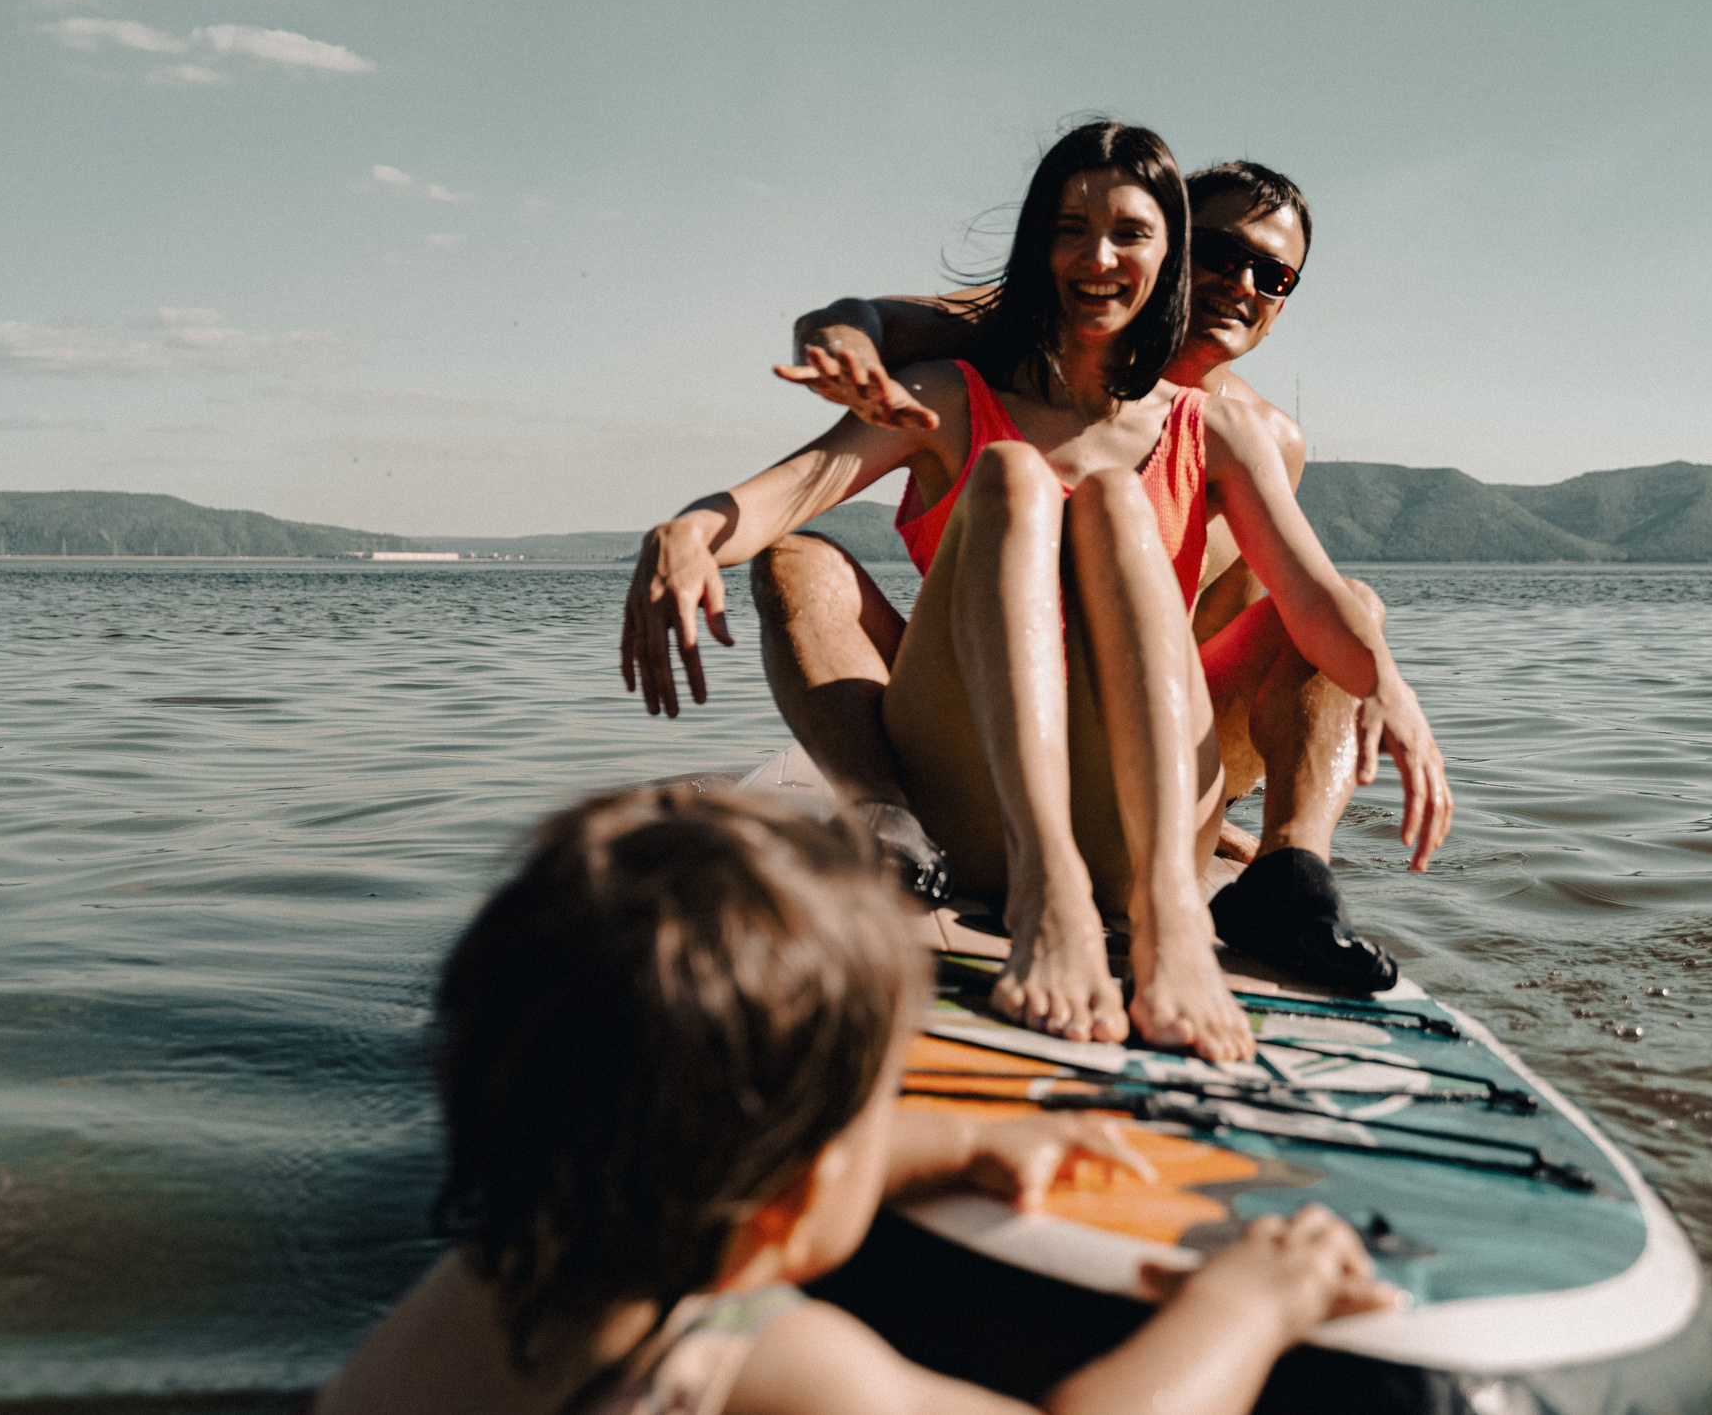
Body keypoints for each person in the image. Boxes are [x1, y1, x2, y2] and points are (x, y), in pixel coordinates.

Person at [623, 120, 1444, 1061]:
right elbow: (777, 496)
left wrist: (1389, 683)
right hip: (984, 811)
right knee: (1009, 477)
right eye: (1070, 231)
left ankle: (1181, 912)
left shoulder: (1222, 431)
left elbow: (1309, 596)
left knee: (1121, 511)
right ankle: (1038, 888)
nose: (1099, 257)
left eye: (1131, 234)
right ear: (1037, 248)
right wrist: (687, 529)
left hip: (1157, 820)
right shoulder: (947, 388)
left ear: (1162, 256)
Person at [315, 784, 1392, 1415]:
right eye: (884, 1107)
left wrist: (966, 1136)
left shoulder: (479, 1286)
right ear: (788, 1198)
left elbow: (736, 1160)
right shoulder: (757, 1368)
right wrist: (1248, 1304)